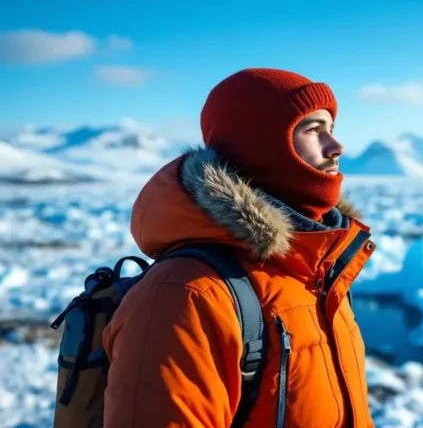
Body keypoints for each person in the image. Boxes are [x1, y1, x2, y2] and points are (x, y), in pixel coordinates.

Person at [101, 68, 377, 427]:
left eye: (332, 129)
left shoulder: (320, 269)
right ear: (260, 144)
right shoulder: (186, 294)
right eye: (313, 130)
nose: (336, 147)